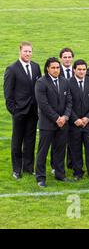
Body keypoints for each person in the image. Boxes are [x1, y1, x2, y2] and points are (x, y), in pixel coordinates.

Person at [4, 42, 41, 179]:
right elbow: (8, 95)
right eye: (25, 51)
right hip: (19, 112)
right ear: (20, 51)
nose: (28, 54)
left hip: (33, 111)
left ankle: (28, 167)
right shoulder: (12, 69)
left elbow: (39, 88)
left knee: (30, 141)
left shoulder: (36, 67)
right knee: (17, 142)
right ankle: (16, 169)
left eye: (30, 51)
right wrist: (15, 111)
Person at [34, 57, 72, 187]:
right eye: (53, 68)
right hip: (47, 124)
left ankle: (60, 175)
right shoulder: (41, 82)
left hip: (63, 123)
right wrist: (57, 118)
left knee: (60, 150)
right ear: (47, 69)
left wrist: (65, 117)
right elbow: (43, 104)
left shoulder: (65, 81)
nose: (56, 70)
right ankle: (40, 177)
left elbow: (69, 102)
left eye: (58, 67)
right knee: (43, 151)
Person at [68, 59, 89, 180]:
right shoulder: (68, 83)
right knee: (75, 149)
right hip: (74, 124)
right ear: (74, 70)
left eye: (84, 69)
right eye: (79, 69)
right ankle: (78, 173)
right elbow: (68, 104)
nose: (82, 72)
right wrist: (75, 119)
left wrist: (87, 118)